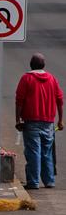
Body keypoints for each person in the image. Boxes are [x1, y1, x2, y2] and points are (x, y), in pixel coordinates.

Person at [15, 53, 64, 189]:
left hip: (31, 121)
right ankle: (49, 181)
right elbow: (60, 100)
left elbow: (19, 101)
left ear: (31, 65)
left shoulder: (26, 78)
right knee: (46, 151)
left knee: (33, 151)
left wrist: (17, 119)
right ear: (44, 65)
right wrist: (60, 120)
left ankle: (33, 182)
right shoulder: (52, 79)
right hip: (48, 122)